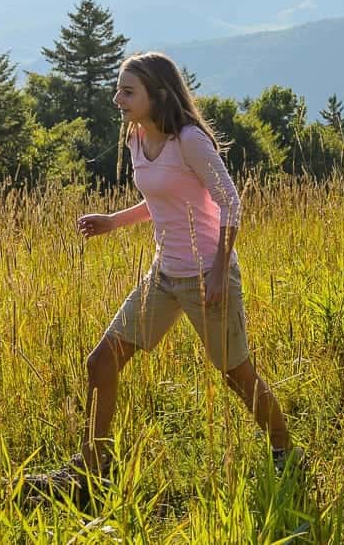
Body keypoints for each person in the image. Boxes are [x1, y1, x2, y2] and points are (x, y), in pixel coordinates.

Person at [25, 52, 296, 498]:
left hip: (207, 276)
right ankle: (92, 471)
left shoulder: (189, 140)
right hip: (164, 274)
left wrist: (215, 270)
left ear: (159, 94)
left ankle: (285, 450)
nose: (118, 98)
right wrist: (115, 221)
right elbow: (161, 200)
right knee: (102, 362)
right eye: (118, 89)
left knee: (235, 373)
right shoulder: (136, 137)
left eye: (128, 91)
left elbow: (230, 202)